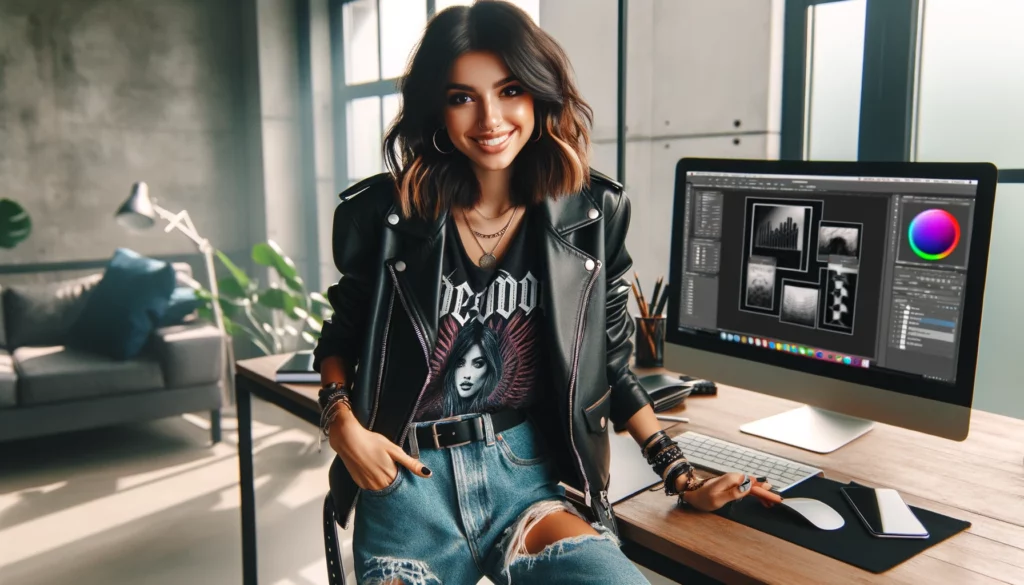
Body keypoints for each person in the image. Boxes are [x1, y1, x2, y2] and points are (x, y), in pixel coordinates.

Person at [314, 2, 771, 583]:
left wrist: (679, 472)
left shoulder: (593, 212)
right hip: (407, 482)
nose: (489, 118)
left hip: (528, 475)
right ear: (438, 108)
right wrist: (341, 425)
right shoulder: (383, 214)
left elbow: (609, 366)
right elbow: (340, 338)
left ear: (538, 94)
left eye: (509, 91)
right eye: (463, 97)